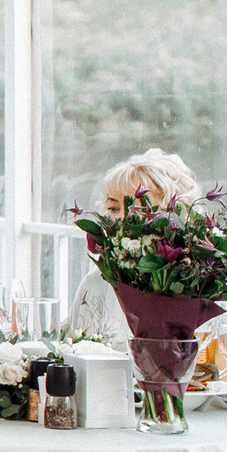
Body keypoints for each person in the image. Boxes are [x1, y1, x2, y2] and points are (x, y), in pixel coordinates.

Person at [67, 148, 204, 346]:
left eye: (138, 209)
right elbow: (75, 359)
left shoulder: (201, 288)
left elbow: (222, 371)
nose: (121, 220)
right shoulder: (97, 283)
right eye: (114, 209)